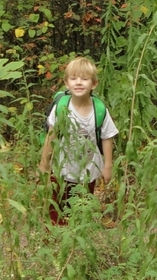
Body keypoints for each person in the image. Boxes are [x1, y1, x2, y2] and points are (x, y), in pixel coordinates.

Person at [38, 57, 118, 225]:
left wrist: (108, 165)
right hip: (61, 166)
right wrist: (44, 164)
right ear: (67, 83)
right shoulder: (62, 107)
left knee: (83, 202)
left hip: (88, 169)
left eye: (84, 78)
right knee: (56, 200)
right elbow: (51, 136)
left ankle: (78, 229)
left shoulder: (99, 109)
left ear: (94, 84)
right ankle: (56, 231)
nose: (79, 83)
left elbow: (107, 137)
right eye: (73, 78)